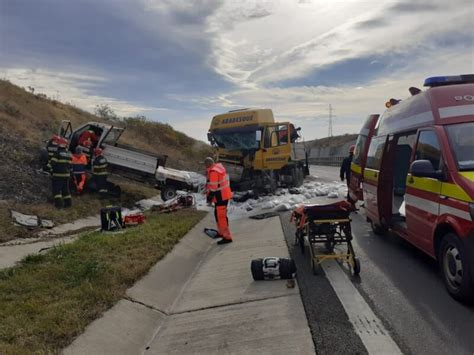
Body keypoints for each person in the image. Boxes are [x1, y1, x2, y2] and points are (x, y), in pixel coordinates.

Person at [205, 157, 233, 245]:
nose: (205, 167)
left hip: (221, 197)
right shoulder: (218, 168)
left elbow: (213, 187)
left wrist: (209, 198)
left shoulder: (213, 171)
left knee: (221, 217)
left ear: (208, 164)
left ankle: (227, 237)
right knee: (218, 215)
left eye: (205, 165)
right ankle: (221, 232)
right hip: (223, 195)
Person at [50, 137, 72, 208]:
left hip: (58, 175)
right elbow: (71, 165)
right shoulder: (69, 154)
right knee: (66, 191)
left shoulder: (57, 153)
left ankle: (58, 206)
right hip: (67, 175)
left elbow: (52, 163)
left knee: (57, 191)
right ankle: (68, 205)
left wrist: (47, 169)